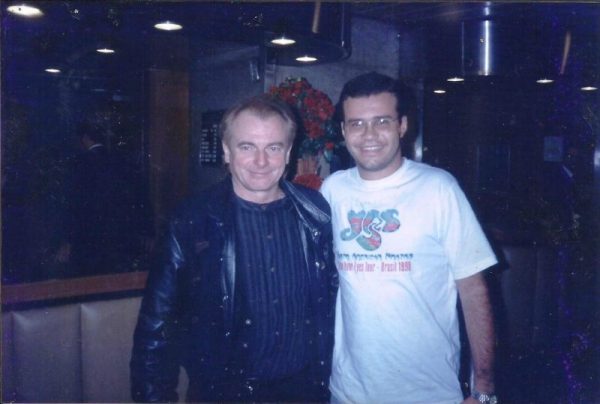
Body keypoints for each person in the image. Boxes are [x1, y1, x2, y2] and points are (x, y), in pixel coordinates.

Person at [130, 94, 337, 402]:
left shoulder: (315, 212)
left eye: (273, 147)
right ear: (226, 151)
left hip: (305, 393)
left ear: (288, 152)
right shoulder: (192, 220)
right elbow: (156, 327)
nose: (261, 161)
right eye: (247, 147)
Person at [320, 72, 498, 404]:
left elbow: (473, 290)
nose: (369, 135)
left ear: (402, 126)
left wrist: (484, 389)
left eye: (382, 121)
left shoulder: (438, 188)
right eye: (357, 124)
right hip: (348, 392)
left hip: (429, 393)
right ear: (343, 131)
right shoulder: (333, 190)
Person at [56, 121, 153, 276]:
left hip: (88, 240)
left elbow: (73, 206)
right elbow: (140, 197)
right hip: (120, 238)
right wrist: (147, 231)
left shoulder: (79, 165)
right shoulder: (123, 161)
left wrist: (67, 240)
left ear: (84, 138)